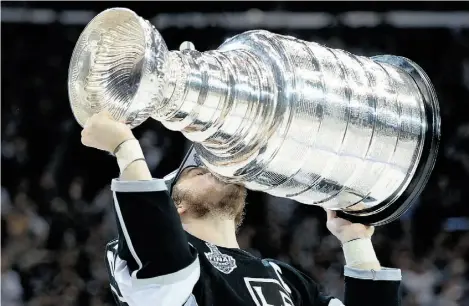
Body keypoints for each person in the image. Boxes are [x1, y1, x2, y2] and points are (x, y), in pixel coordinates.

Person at [81, 112, 402, 306]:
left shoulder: (285, 277)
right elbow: (161, 266)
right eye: (198, 170)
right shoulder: (132, 259)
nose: (212, 167)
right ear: (172, 206)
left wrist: (355, 239)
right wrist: (126, 148)